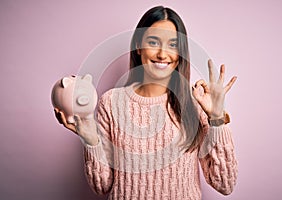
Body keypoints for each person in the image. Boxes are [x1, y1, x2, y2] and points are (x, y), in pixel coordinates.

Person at [54, 6, 238, 200]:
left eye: (172, 45)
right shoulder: (110, 103)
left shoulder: (195, 105)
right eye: (153, 42)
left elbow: (225, 184)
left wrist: (216, 117)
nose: (162, 53)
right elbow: (102, 186)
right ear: (138, 47)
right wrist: (91, 140)